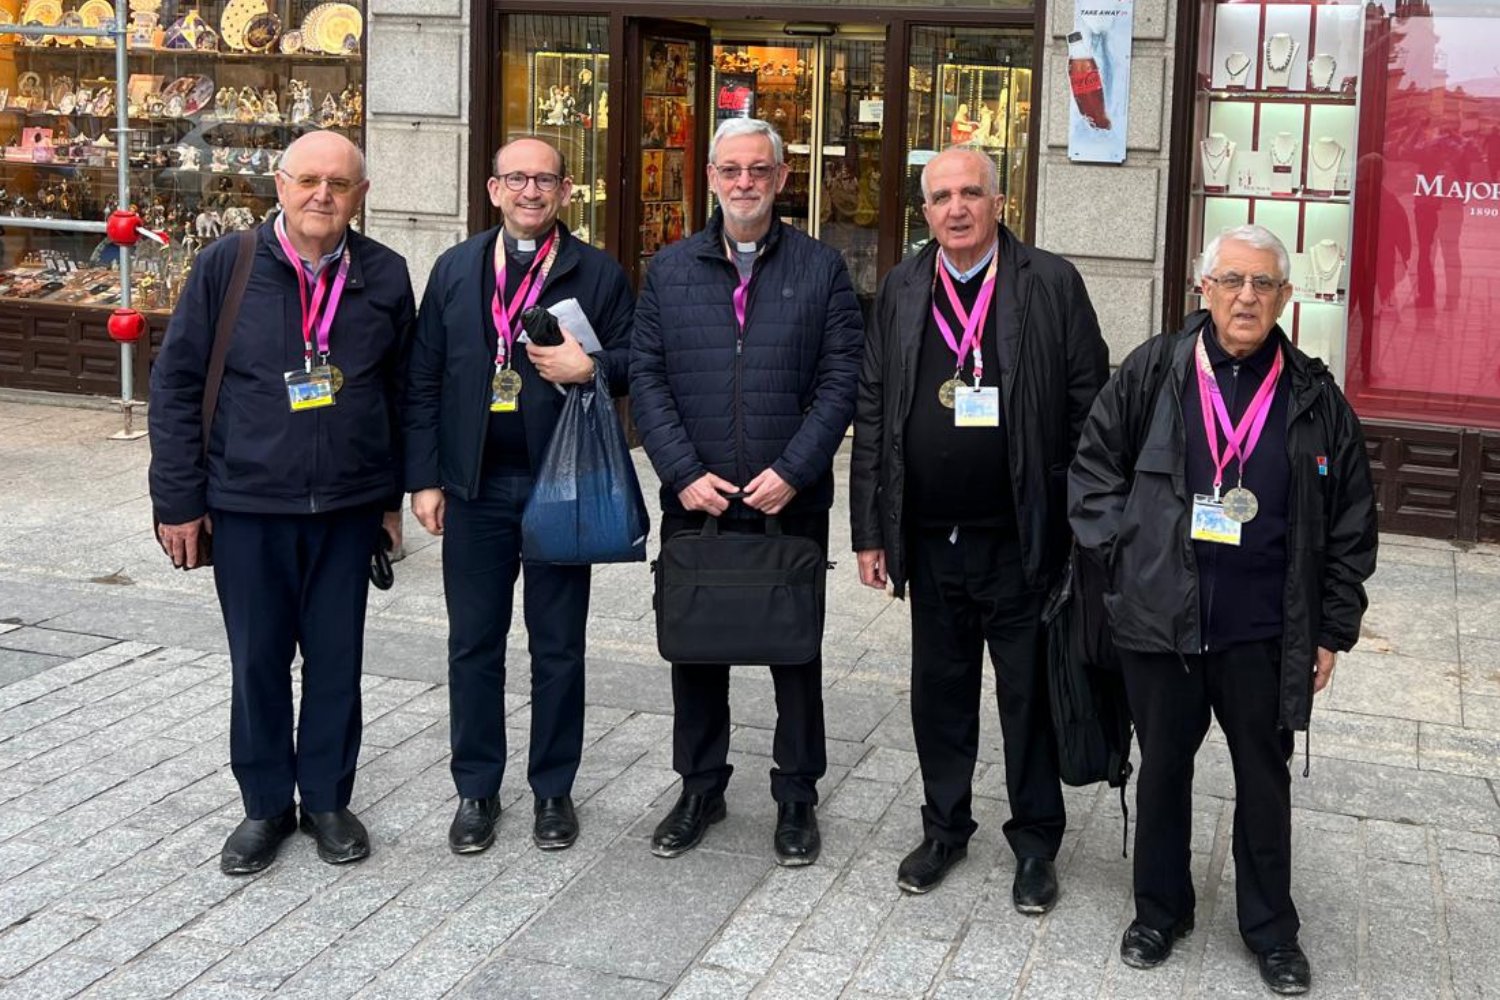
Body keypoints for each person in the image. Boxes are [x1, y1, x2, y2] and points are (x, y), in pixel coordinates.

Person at [1068, 224, 1377, 995]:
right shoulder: (1151, 371)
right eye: (1232, 280)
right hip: (1161, 629)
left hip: (1262, 632)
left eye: (1264, 284)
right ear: (1202, 289)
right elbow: (1093, 472)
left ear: (1285, 298)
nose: (1247, 297)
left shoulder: (1314, 396)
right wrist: (1127, 560)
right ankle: (1158, 911)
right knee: (1163, 772)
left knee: (1263, 783)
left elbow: (1351, 523)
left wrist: (1333, 628)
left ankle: (1272, 930)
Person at [849, 145, 1108, 906]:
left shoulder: (1051, 283)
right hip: (930, 541)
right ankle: (944, 829)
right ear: (923, 211)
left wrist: (1084, 531)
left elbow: (1091, 410)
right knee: (941, 692)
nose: (955, 209)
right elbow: (873, 411)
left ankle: (1035, 843)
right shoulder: (902, 286)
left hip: (1022, 540)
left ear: (1000, 202)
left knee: (1028, 699)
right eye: (940, 198)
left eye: (970, 193)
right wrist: (871, 530)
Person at [149, 132, 414, 875]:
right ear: (280, 184)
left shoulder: (385, 274)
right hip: (246, 504)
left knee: (337, 663)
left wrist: (390, 499)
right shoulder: (225, 267)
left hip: (348, 507)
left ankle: (328, 800)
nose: (322, 195)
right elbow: (174, 386)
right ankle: (265, 806)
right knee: (258, 662)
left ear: (361, 195)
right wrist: (178, 500)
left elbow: (400, 394)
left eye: (339, 183)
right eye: (308, 180)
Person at [630, 117, 863, 866]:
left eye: (758, 170)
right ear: (709, 178)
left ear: (782, 177)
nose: (744, 183)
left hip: (788, 500)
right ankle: (700, 786)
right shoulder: (668, 270)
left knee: (794, 652)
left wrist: (794, 471)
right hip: (694, 498)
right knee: (698, 648)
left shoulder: (822, 269)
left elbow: (840, 381)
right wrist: (681, 472)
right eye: (730, 170)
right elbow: (648, 377)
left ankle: (796, 794)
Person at [405, 137, 634, 855]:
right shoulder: (455, 269)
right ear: (492, 188)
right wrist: (423, 477)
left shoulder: (596, 272)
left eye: (544, 180)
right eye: (517, 179)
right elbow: (423, 379)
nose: (530, 191)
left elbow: (636, 361)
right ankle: (477, 789)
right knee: (473, 644)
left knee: (558, 647)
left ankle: (553, 790)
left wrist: (589, 363)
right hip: (472, 490)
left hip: (560, 486)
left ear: (566, 191)